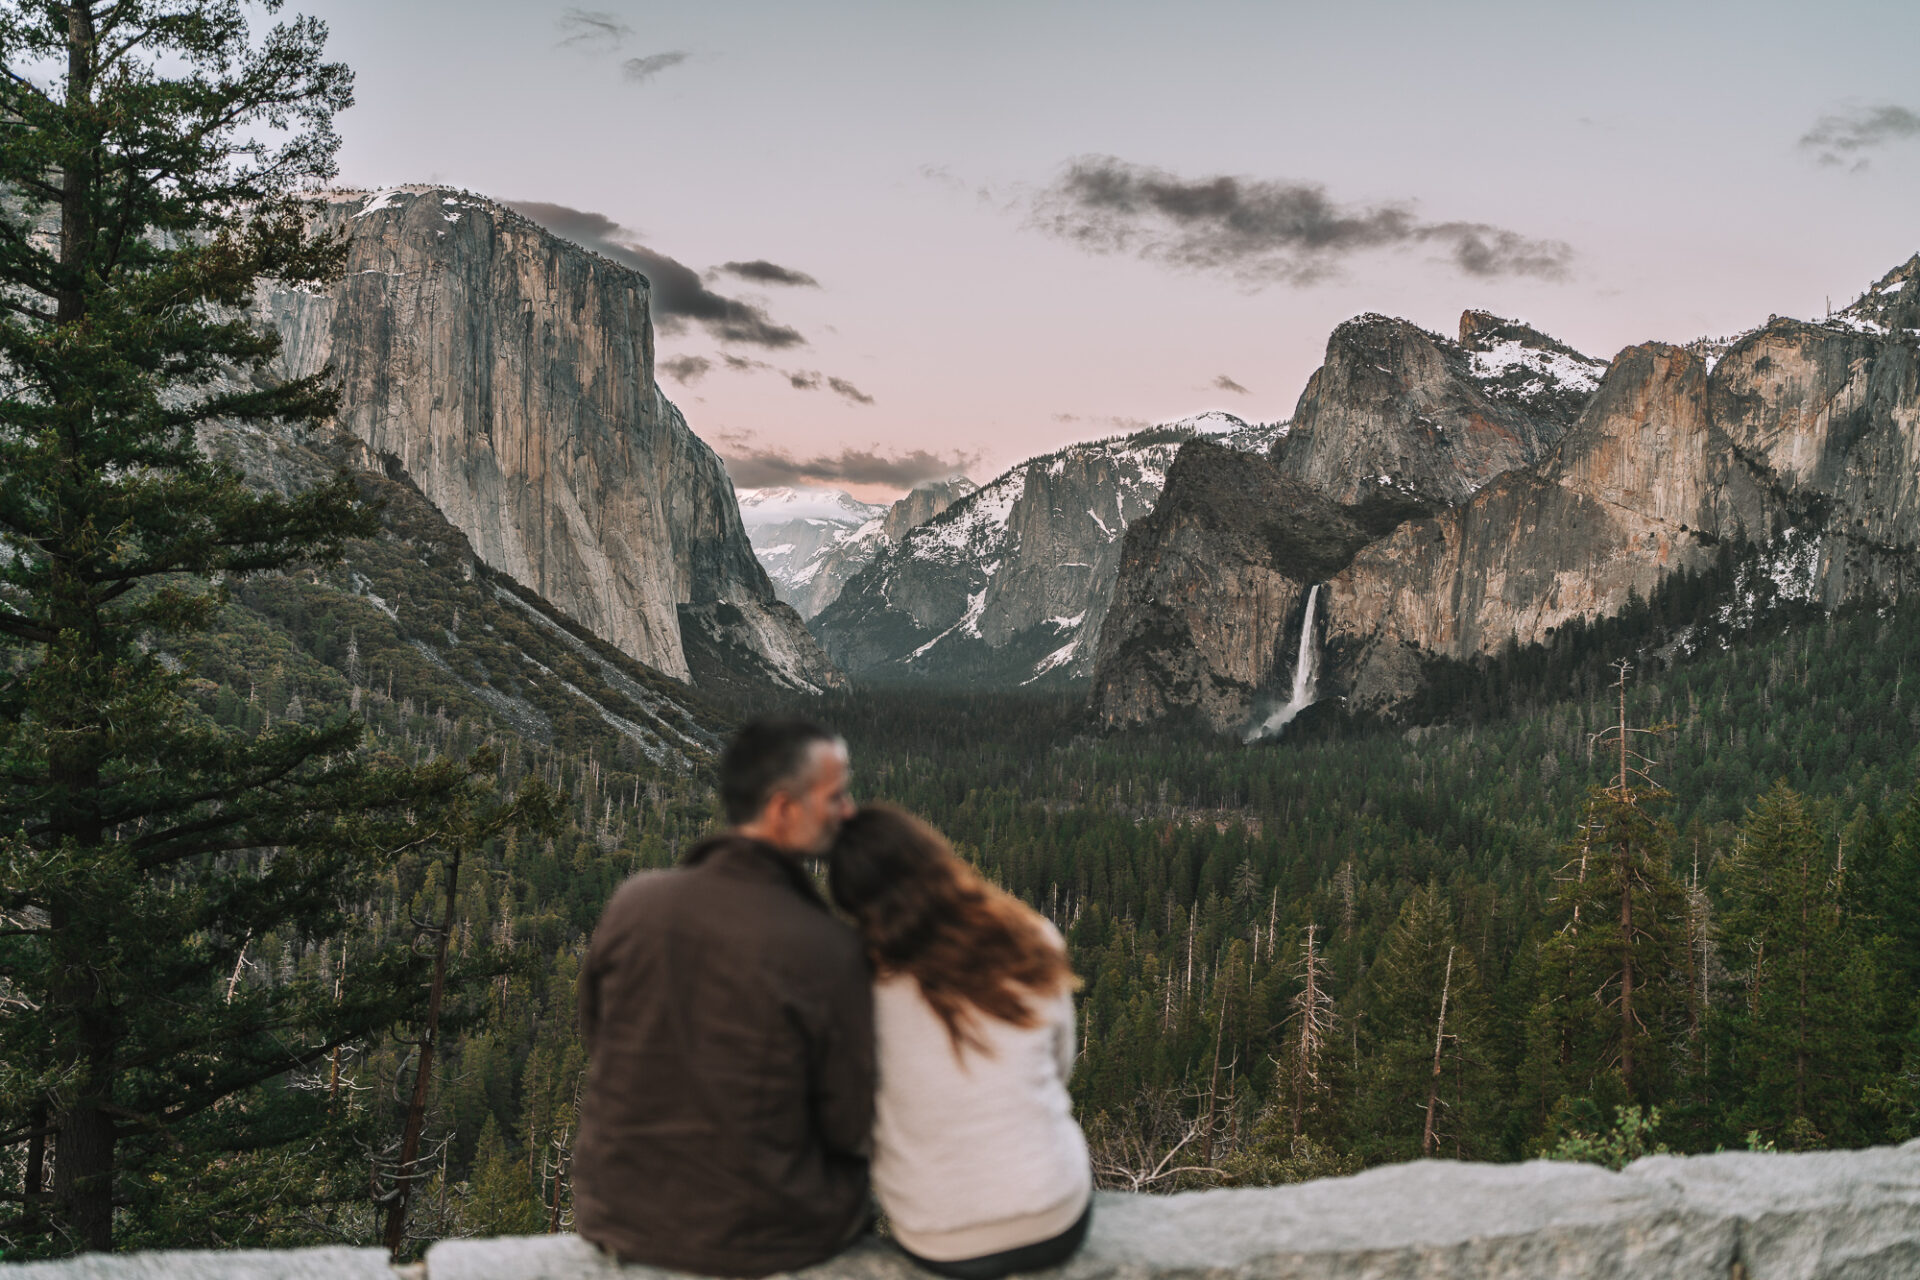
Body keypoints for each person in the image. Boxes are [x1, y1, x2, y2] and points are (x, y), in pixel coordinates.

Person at [572, 718, 871, 1278]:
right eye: (836, 796)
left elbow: (598, 1036)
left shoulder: (634, 903)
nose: (848, 811)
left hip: (617, 1212)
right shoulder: (828, 947)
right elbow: (850, 1121)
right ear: (783, 809)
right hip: (765, 1231)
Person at [829, 805, 1093, 1280]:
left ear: (852, 902)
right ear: (933, 854)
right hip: (1055, 1214)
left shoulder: (855, 980)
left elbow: (849, 1112)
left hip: (938, 1235)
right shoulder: (1030, 937)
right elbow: (1061, 1065)